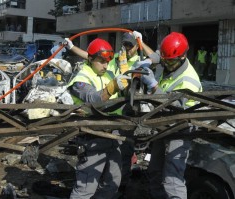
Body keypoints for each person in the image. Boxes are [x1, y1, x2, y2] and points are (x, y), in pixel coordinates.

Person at [64, 33, 146, 190]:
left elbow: (124, 96)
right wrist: (112, 87)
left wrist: (129, 81)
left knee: (112, 181)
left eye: (108, 62)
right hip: (91, 137)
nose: (106, 66)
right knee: (86, 187)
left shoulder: (108, 73)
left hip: (111, 136)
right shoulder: (80, 79)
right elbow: (93, 99)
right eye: (101, 61)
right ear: (90, 59)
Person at [133, 31, 202, 199]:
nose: (166, 65)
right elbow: (159, 55)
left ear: (183, 56)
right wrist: (150, 60)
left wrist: (155, 86)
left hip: (180, 127)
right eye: (165, 61)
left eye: (170, 63)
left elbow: (176, 107)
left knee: (172, 179)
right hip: (163, 125)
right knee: (155, 171)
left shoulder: (189, 81)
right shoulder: (172, 60)